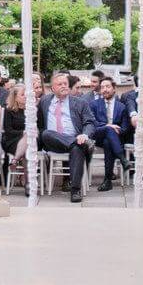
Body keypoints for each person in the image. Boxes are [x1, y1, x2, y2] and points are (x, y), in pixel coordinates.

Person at [37, 70, 96, 202]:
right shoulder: (44, 101)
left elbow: (90, 123)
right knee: (46, 133)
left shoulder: (80, 103)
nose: (64, 86)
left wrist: (85, 135)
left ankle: (75, 190)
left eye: (65, 83)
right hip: (52, 142)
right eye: (59, 84)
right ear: (52, 88)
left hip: (77, 141)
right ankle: (76, 142)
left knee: (77, 148)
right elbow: (40, 124)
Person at [90, 74, 131, 191]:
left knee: (108, 142)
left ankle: (107, 180)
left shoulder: (122, 107)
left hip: (115, 138)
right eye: (102, 87)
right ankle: (122, 159)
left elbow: (125, 128)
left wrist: (116, 130)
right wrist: (109, 126)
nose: (105, 90)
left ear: (114, 88)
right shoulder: (94, 104)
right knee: (108, 129)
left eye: (107, 87)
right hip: (98, 135)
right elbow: (93, 123)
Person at [0, 85, 30, 186]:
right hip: (11, 141)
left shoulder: (30, 110)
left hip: (28, 141)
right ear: (15, 97)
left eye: (26, 94)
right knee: (27, 148)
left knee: (27, 148)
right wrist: (23, 133)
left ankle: (16, 162)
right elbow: (8, 131)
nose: (25, 97)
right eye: (22, 95)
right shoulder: (9, 110)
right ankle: (28, 182)